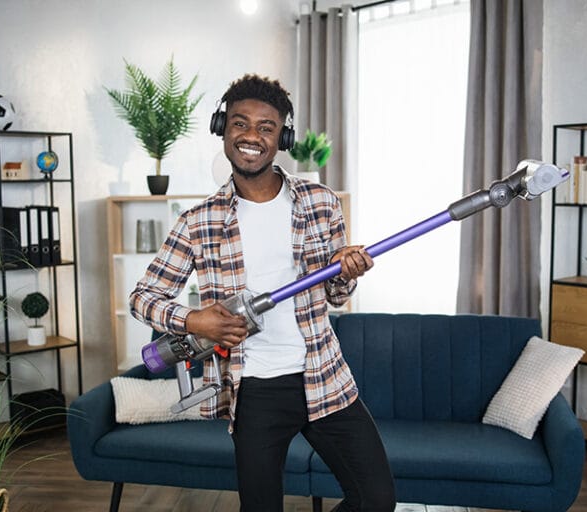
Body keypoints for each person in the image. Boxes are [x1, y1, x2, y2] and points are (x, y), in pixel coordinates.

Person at [129, 74, 395, 512]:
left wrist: (348, 272)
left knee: (376, 499)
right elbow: (143, 297)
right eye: (240, 123)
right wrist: (195, 320)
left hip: (323, 375)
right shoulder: (199, 221)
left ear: (282, 137)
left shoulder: (320, 202)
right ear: (223, 129)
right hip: (254, 389)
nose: (252, 136)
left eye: (266, 127)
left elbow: (335, 295)